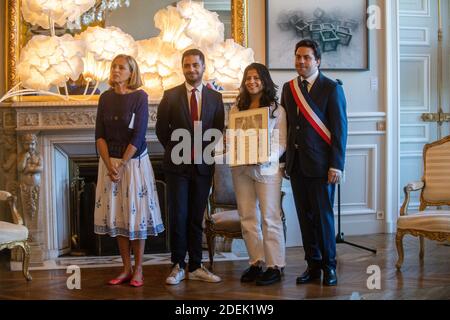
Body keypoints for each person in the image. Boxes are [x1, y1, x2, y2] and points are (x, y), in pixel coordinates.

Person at [94, 54, 164, 288]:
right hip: (109, 165)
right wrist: (108, 164)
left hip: (133, 164)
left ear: (131, 72)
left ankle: (139, 269)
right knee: (119, 216)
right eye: (114, 66)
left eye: (121, 67)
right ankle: (125, 268)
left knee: (136, 216)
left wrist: (122, 164)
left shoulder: (140, 97)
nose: (115, 70)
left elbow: (139, 134)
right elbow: (99, 135)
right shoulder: (104, 98)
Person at [281, 39, 348, 286]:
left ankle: (330, 266)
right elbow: (287, 129)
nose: (301, 61)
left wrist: (336, 165)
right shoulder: (289, 89)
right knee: (305, 219)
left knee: (323, 218)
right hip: (297, 165)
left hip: (322, 167)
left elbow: (340, 130)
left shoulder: (331, 88)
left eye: (307, 57)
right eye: (298, 56)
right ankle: (313, 265)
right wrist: (285, 161)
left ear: (317, 60)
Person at [156, 48, 224, 285]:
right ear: (182, 68)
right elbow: (162, 131)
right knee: (179, 216)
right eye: (187, 65)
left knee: (196, 217)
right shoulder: (170, 95)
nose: (191, 69)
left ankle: (196, 266)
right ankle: (177, 265)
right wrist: (180, 151)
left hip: (203, 167)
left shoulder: (215, 98)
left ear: (204, 67)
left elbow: (217, 130)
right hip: (177, 167)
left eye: (196, 65)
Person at [229, 63, 287, 286]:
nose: (251, 82)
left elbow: (281, 143)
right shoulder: (237, 108)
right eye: (247, 78)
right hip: (241, 168)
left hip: (267, 169)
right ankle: (256, 261)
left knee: (269, 217)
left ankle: (275, 265)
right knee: (247, 217)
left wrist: (264, 155)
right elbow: (232, 135)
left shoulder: (276, 110)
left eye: (256, 78)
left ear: (264, 80)